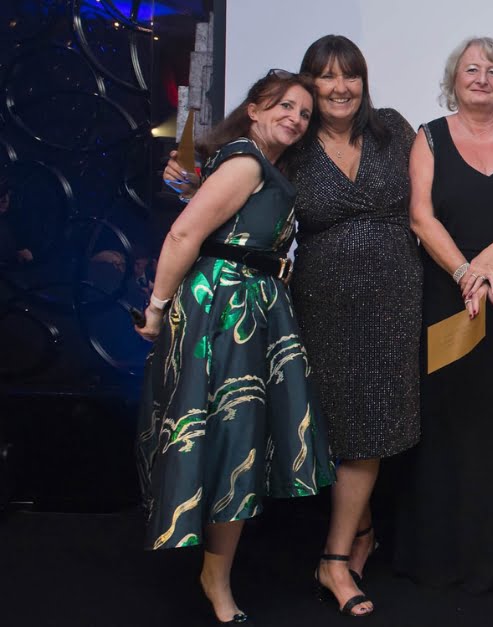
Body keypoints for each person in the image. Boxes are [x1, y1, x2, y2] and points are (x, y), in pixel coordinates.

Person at [165, 35, 421, 616]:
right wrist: (185, 176)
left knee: (374, 421)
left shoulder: (391, 130)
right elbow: (226, 184)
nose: (339, 87)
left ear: (363, 81)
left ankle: (335, 560)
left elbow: (436, 189)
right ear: (309, 84)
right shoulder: (293, 143)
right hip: (317, 301)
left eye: (349, 75)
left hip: (396, 299)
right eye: (325, 77)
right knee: (331, 420)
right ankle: (358, 533)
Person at [137, 69, 334, 624]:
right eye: (284, 107)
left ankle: (214, 574)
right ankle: (215, 581)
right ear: (253, 109)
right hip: (225, 313)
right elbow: (184, 235)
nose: (295, 118)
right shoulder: (247, 160)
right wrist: (154, 309)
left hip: (252, 312)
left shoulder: (259, 165)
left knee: (236, 442)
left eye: (302, 112)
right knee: (229, 440)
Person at [395, 36, 493, 593]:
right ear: (454, 78)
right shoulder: (428, 137)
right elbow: (420, 217)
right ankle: (441, 558)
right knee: (449, 420)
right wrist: (465, 271)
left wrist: (488, 259)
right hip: (448, 300)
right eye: (472, 69)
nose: (482, 77)